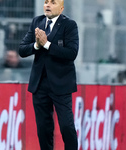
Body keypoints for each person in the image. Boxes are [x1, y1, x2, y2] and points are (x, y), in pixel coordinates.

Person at [18, 0, 79, 149]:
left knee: (66, 126)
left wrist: (46, 45)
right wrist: (36, 45)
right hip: (40, 84)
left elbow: (72, 53)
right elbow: (22, 50)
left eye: (53, 2)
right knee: (43, 129)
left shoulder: (69, 25)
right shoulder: (36, 22)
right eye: (46, 2)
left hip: (61, 84)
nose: (48, 5)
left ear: (62, 8)